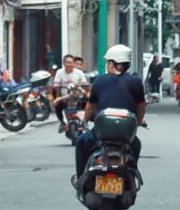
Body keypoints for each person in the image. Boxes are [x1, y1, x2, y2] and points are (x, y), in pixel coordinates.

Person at [74, 44, 147, 181]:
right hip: (126, 136)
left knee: (81, 142)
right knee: (136, 145)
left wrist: (84, 120)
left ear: (113, 64)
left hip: (101, 134)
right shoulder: (136, 82)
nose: (108, 65)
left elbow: (91, 105)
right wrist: (140, 121)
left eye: (108, 62)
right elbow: (141, 106)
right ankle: (131, 176)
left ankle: (80, 178)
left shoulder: (100, 80)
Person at [53, 53, 90, 131]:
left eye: (71, 62)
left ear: (73, 63)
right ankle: (62, 122)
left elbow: (84, 82)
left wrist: (84, 85)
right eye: (67, 62)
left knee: (88, 103)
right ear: (64, 63)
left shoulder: (79, 73)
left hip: (78, 96)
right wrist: (56, 85)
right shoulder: (59, 72)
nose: (69, 64)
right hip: (64, 97)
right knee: (57, 106)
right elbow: (56, 82)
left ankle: (85, 121)